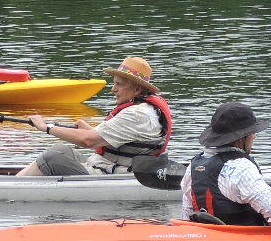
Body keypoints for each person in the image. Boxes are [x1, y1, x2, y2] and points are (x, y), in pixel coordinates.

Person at [179, 101, 271, 226]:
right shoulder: (240, 167)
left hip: (207, 235)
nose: (254, 137)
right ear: (241, 138)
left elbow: (187, 214)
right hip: (246, 239)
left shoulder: (193, 166)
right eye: (252, 133)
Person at [18, 55, 174, 177]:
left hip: (111, 175)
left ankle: (14, 185)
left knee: (53, 156)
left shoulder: (137, 114)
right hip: (108, 167)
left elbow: (87, 140)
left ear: (138, 89)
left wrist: (46, 127)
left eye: (119, 84)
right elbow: (106, 139)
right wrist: (88, 129)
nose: (113, 89)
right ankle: (19, 180)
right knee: (66, 152)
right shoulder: (145, 109)